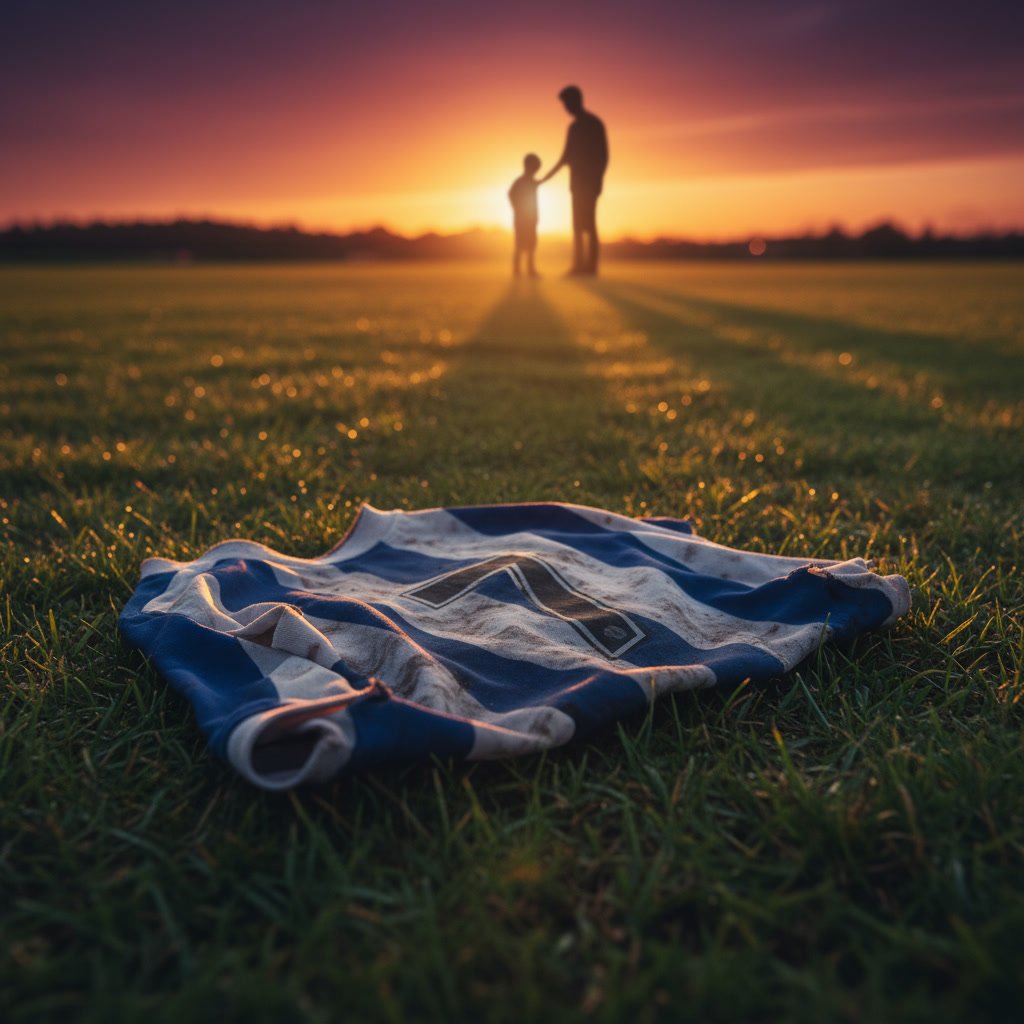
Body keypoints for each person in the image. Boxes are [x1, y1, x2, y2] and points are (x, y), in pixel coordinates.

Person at [539, 85, 608, 276]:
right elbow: (565, 158)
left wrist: (598, 180)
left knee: (589, 225)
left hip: (589, 184)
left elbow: (602, 155)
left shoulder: (593, 124)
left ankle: (591, 267)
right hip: (576, 186)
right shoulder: (574, 128)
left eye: (567, 103)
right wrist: (544, 179)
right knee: (578, 226)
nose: (566, 108)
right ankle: (579, 266)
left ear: (576, 101)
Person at [508, 153, 542, 278]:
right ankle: (517, 270)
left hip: (531, 219)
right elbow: (511, 194)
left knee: (531, 245)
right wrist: (517, 208)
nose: (536, 171)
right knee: (519, 244)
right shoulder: (520, 182)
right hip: (521, 220)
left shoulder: (533, 182)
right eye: (535, 168)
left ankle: (530, 269)